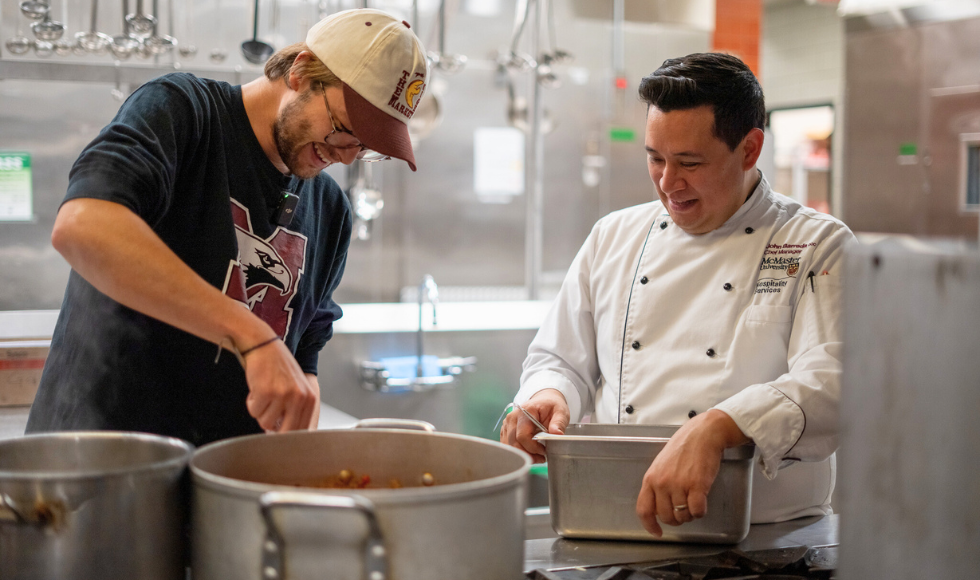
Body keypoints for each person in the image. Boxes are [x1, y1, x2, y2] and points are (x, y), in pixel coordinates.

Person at [26, 9, 429, 446]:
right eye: (344, 130)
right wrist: (250, 335)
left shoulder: (330, 209)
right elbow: (84, 226)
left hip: (224, 488)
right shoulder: (182, 113)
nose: (348, 156)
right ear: (300, 72)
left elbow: (305, 350)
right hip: (99, 469)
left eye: (367, 148)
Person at [500, 53, 855, 536]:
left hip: (769, 539)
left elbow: (836, 378)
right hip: (618, 522)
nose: (668, 183)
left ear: (750, 149)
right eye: (655, 158)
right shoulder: (613, 235)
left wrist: (721, 426)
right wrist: (547, 392)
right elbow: (560, 357)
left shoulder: (815, 243)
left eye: (690, 162)